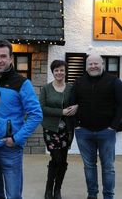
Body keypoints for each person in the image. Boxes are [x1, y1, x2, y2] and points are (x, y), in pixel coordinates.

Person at [0, 39, 43, 199]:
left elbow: (36, 114)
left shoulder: (22, 83)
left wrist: (17, 138)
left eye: (3, 56)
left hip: (9, 148)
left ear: (11, 58)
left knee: (14, 195)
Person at [73, 53, 122, 199]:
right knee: (89, 166)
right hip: (84, 132)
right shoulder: (79, 82)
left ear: (102, 64)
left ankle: (108, 196)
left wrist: (113, 127)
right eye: (90, 64)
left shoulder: (114, 81)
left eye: (96, 63)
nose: (93, 66)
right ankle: (92, 195)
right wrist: (76, 126)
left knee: (108, 167)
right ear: (86, 66)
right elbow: (72, 104)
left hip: (106, 132)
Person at [39, 60, 77, 199]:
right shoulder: (46, 89)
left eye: (62, 70)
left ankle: (57, 190)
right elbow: (41, 108)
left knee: (63, 160)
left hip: (67, 130)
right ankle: (49, 189)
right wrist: (60, 112)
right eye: (56, 70)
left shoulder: (71, 89)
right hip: (51, 129)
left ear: (65, 72)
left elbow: (79, 101)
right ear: (53, 72)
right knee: (56, 159)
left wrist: (77, 106)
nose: (59, 73)